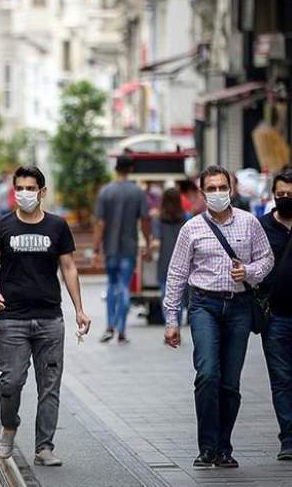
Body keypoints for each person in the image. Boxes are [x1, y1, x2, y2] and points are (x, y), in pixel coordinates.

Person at [164, 165, 274, 468]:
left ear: (232, 189)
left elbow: (267, 258)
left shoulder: (250, 224)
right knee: (208, 374)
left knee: (230, 383)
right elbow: (176, 273)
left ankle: (224, 446)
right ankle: (207, 446)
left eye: (221, 187)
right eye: (210, 189)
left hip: (239, 307)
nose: (216, 193)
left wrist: (249, 272)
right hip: (203, 306)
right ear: (202, 193)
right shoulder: (192, 228)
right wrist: (172, 319)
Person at [0, 166, 92, 467]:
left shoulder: (57, 226)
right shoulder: (1, 226)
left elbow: (69, 267)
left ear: (42, 192)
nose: (25, 194)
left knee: (50, 385)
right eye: (20, 188)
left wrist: (79, 309)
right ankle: (9, 425)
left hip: (49, 319)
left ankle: (44, 446)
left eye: (31, 188)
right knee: (11, 382)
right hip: (12, 319)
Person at [93, 155, 151, 343]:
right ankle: (122, 329)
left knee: (111, 285)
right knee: (124, 287)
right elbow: (145, 220)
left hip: (110, 247)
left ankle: (110, 325)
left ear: (115, 169)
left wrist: (95, 249)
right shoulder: (138, 192)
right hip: (129, 246)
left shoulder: (105, 192)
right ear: (131, 169)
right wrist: (148, 244)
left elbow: (100, 223)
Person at [259, 169, 292, 461]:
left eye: (290, 196)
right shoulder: (262, 227)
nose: (285, 200)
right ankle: (289, 438)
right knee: (281, 378)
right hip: (277, 316)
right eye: (280, 195)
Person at [152, 188, 187, 325]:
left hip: (165, 262)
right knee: (180, 297)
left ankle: (170, 324)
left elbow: (156, 242)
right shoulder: (186, 217)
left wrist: (148, 251)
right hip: (182, 263)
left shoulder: (158, 219)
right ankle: (176, 323)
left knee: (165, 296)